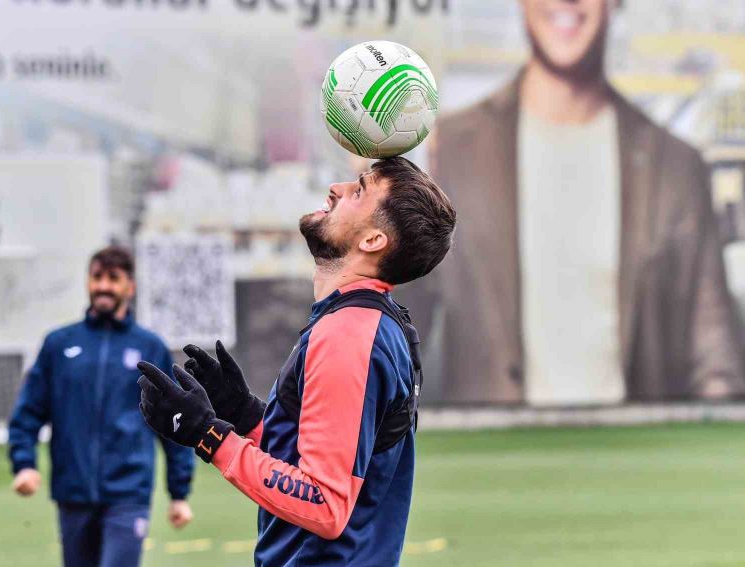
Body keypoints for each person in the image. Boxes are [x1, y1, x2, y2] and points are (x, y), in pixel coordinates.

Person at [411, 0, 745, 404]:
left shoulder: (676, 166)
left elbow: (714, 353)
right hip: (492, 457)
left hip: (641, 454)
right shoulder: (449, 150)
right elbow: (398, 325)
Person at [135, 157, 456, 566]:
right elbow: (331, 455)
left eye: (358, 191)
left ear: (373, 240)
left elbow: (324, 503)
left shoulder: (349, 334)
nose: (336, 188)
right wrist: (247, 418)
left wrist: (209, 436)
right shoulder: (369, 321)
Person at [7, 246, 195, 567]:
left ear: (130, 287)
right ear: (88, 282)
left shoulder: (149, 347)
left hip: (128, 492)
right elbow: (29, 411)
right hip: (73, 493)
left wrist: (179, 493)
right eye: (97, 278)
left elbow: (173, 423)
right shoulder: (59, 344)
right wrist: (24, 463)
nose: (103, 286)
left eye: (113, 278)